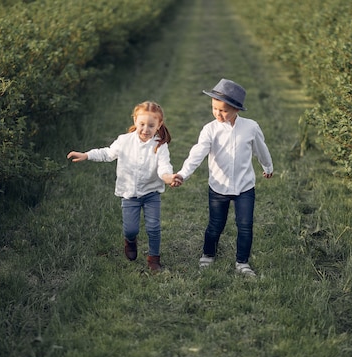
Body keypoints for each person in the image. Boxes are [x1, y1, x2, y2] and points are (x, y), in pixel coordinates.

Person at [172, 79, 273, 276]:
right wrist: (183, 174)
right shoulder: (210, 129)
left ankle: (242, 262)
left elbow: (261, 149)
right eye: (214, 108)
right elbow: (197, 154)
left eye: (223, 110)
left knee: (245, 225)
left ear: (237, 109)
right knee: (215, 224)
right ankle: (208, 254)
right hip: (218, 187)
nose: (218, 113)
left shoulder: (250, 127)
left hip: (245, 187)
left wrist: (267, 166)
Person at [67, 101, 174, 272]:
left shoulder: (160, 145)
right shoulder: (124, 141)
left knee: (153, 227)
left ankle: (154, 258)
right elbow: (107, 153)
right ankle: (130, 241)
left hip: (151, 193)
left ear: (159, 125)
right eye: (142, 124)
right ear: (135, 120)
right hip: (129, 194)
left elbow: (164, 166)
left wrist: (168, 177)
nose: (146, 129)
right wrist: (86, 155)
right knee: (130, 229)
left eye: (151, 126)